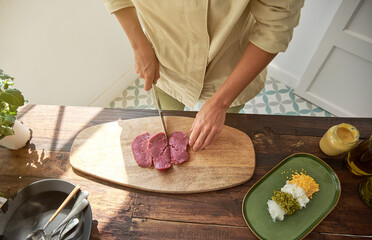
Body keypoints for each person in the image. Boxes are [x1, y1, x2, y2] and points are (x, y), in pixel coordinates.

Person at [102, 0, 304, 151]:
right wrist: (139, 46)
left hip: (230, 69)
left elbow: (276, 26)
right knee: (165, 122)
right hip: (164, 63)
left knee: (218, 141)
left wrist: (220, 104)